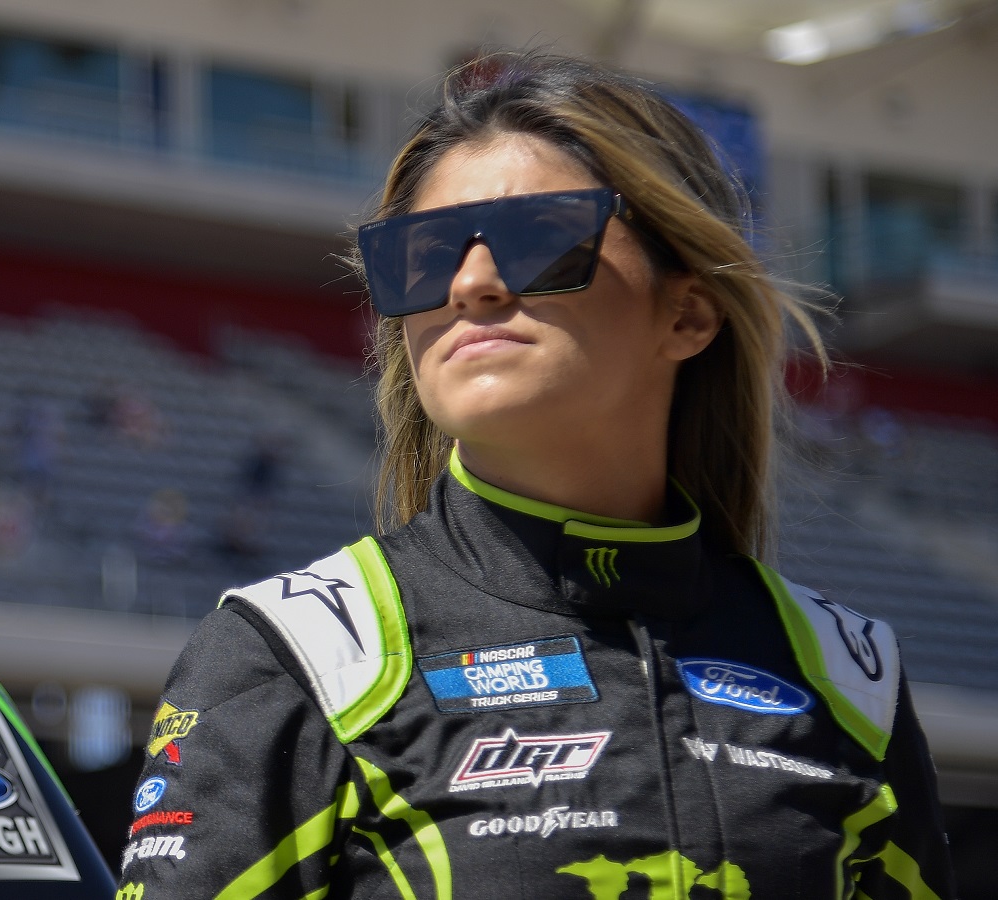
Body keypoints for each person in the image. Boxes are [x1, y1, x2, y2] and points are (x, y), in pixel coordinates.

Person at [115, 52, 955, 900]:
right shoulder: (304, 652)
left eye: (537, 239)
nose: (472, 283)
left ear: (689, 312)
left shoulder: (848, 676)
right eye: (426, 253)